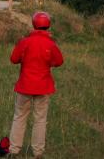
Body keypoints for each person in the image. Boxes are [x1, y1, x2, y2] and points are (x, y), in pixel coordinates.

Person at [8, 11, 64, 157]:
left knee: (19, 116)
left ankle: (14, 150)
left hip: (25, 86)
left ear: (34, 24)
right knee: (40, 119)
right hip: (43, 87)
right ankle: (38, 152)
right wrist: (48, 63)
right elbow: (59, 61)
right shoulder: (51, 44)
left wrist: (24, 59)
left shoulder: (25, 42)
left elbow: (14, 59)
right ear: (48, 26)